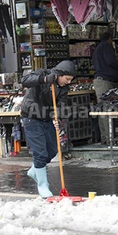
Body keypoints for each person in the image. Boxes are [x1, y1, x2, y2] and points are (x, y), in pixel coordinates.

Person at [21, 60, 76, 198]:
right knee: (40, 153)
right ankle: (43, 186)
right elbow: (25, 80)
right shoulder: (42, 73)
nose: (68, 82)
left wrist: (57, 118)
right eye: (67, 79)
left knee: (52, 150)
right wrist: (44, 79)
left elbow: (61, 104)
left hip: (46, 117)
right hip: (31, 117)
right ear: (59, 74)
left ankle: (35, 170)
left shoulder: (63, 88)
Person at [92, 31, 118, 145]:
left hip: (99, 81)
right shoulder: (106, 46)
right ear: (110, 39)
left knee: (102, 110)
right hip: (104, 81)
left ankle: (105, 138)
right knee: (107, 109)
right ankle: (110, 139)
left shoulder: (97, 49)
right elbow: (110, 61)